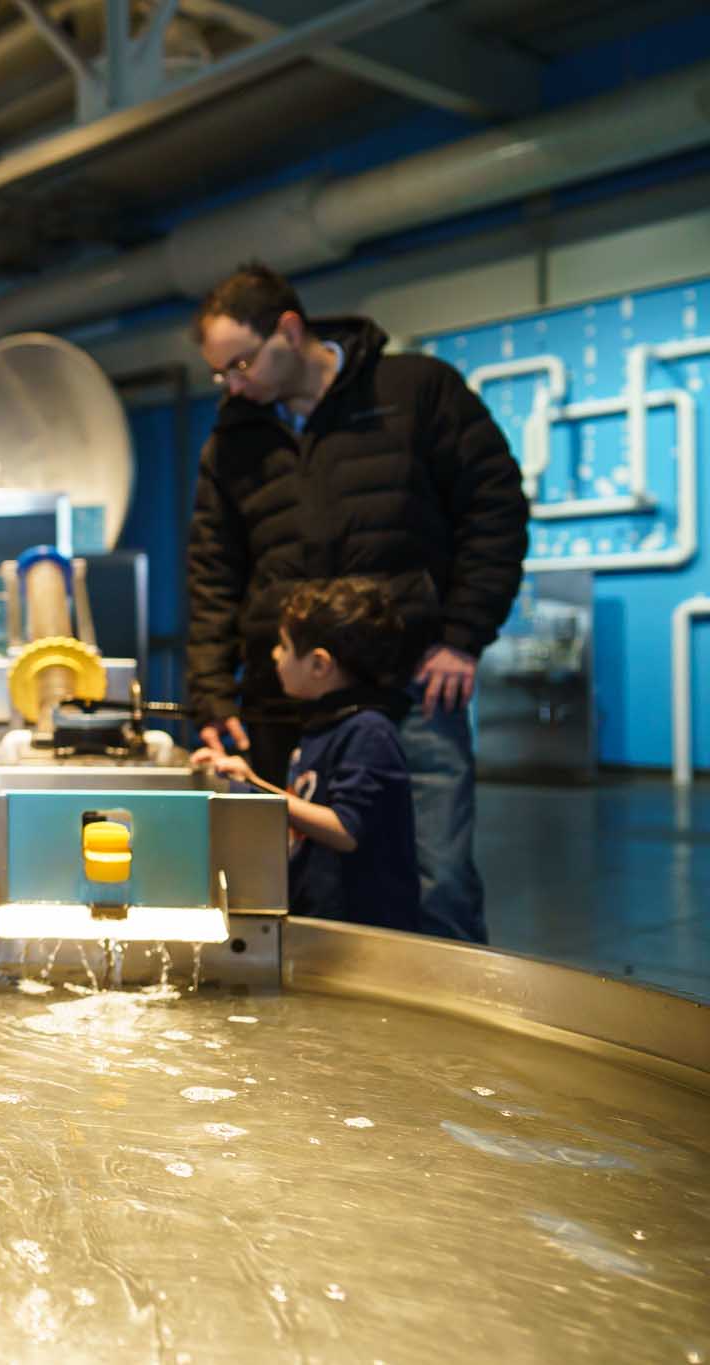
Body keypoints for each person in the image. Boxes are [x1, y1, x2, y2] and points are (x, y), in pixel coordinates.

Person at [185, 261, 528, 943]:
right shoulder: (234, 441)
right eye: (221, 374)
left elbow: (494, 507)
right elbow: (213, 572)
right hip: (287, 710)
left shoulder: (416, 391)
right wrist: (213, 692)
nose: (233, 384)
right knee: (301, 894)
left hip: (413, 695)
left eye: (241, 364)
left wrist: (463, 634)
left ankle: (452, 1050)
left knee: (438, 884)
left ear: (289, 329)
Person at [194, 578, 420, 933]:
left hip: (363, 934)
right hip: (323, 920)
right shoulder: (324, 725)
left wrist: (256, 787)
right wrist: (246, 780)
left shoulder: (368, 731)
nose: (274, 656)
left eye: (283, 647)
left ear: (319, 664)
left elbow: (346, 829)